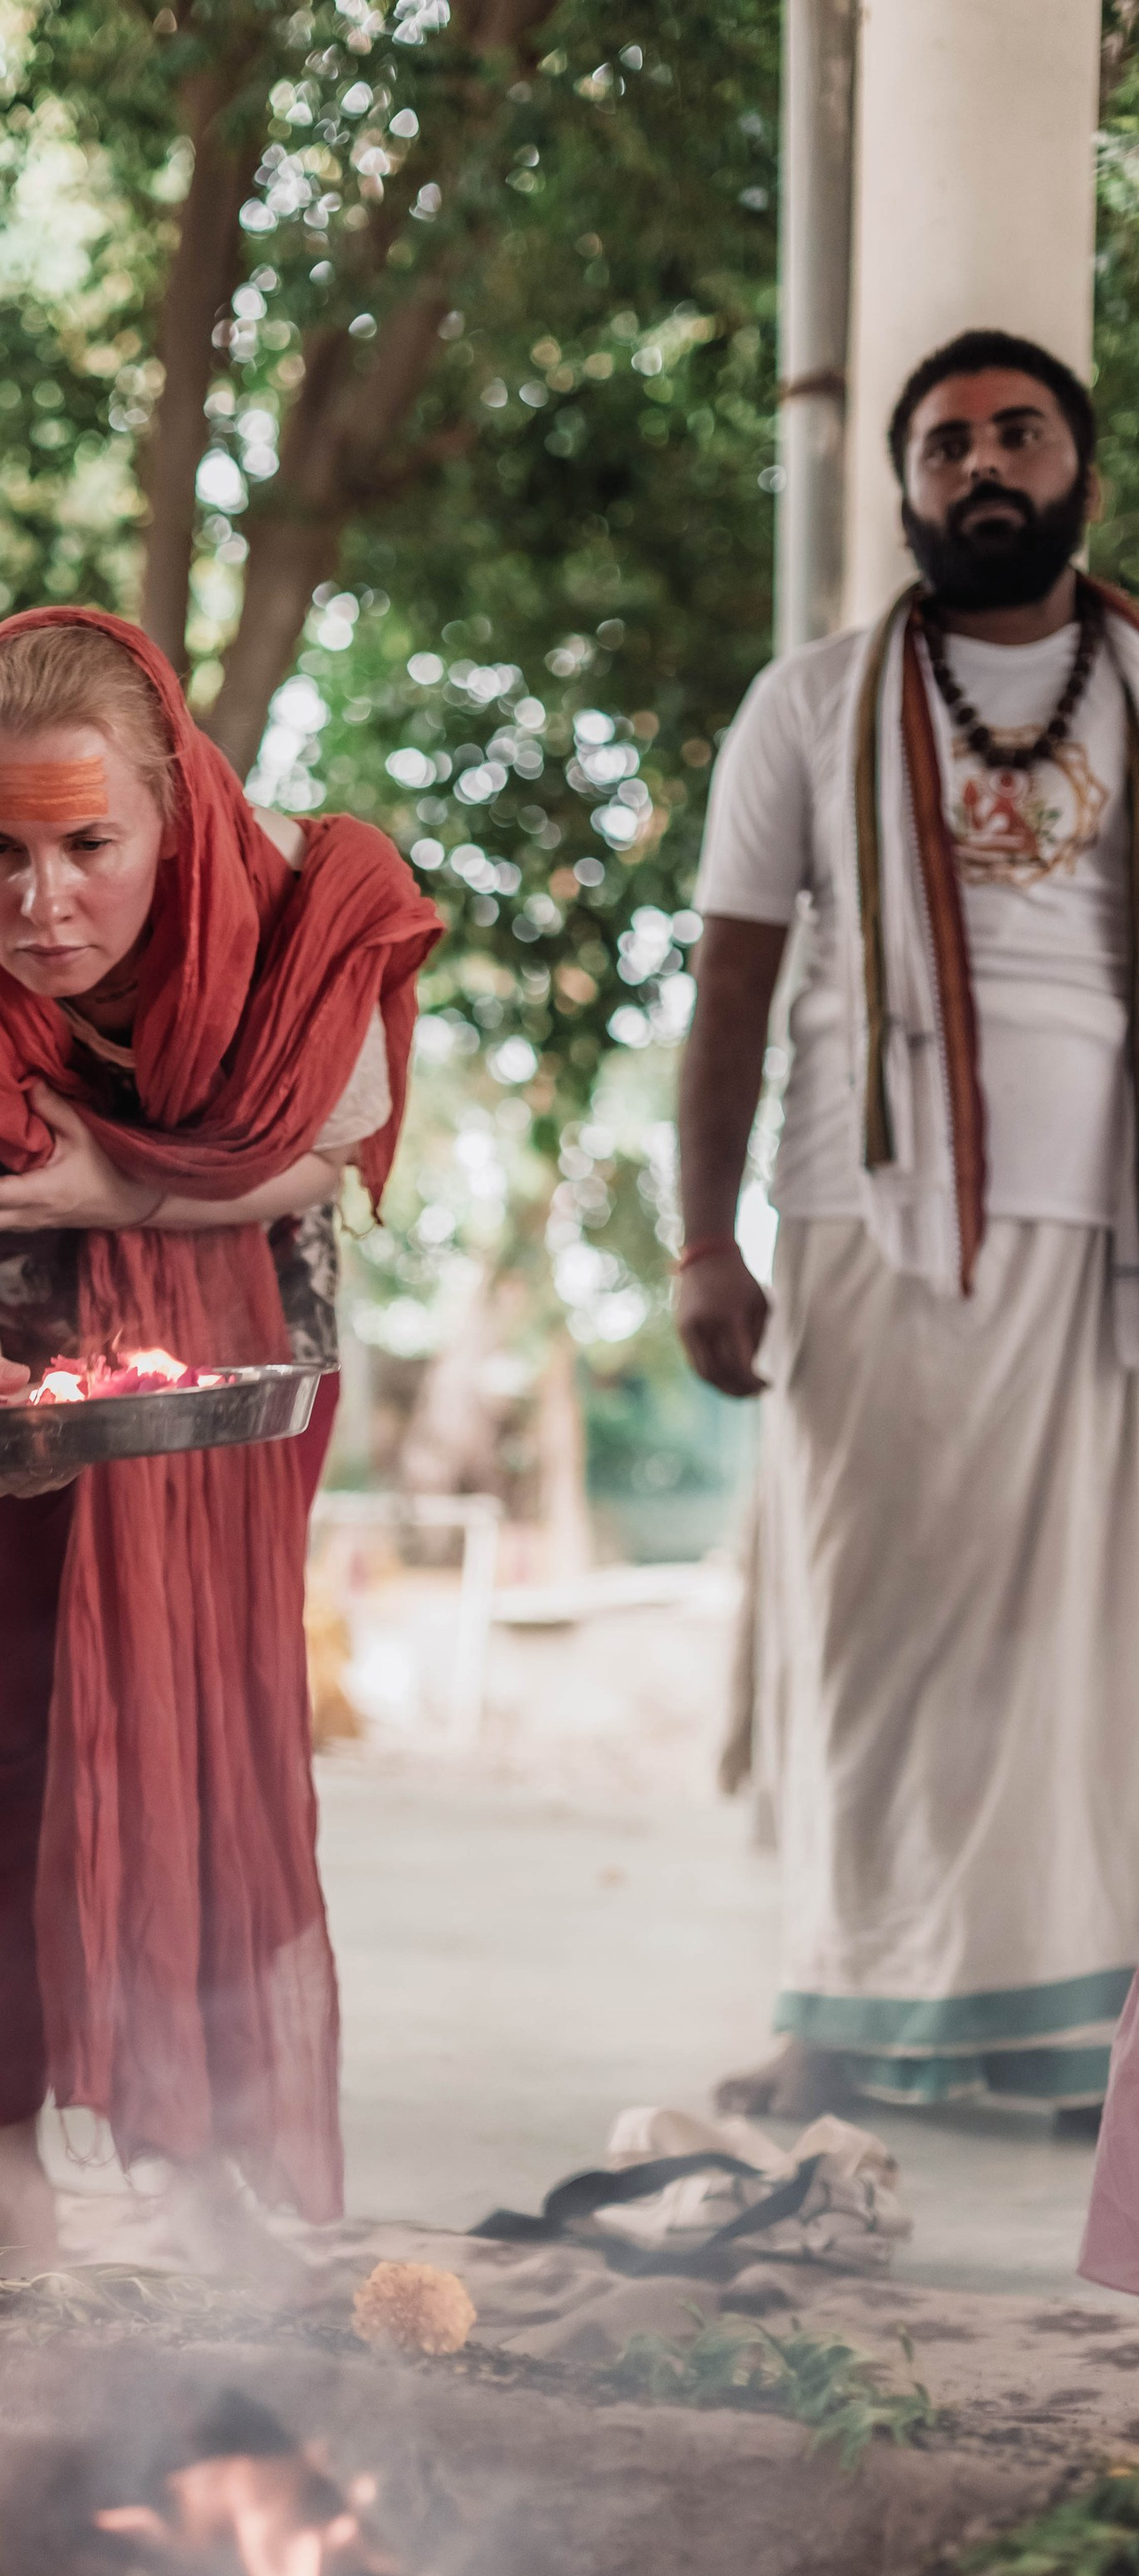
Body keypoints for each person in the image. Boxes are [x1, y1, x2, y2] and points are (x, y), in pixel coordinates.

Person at [0, 609, 438, 2266]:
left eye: (89, 846)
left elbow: (326, 1154)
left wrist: (122, 1186)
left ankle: (194, 2149)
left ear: (173, 817)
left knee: (193, 1711)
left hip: (233, 1317)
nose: (39, 905)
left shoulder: (303, 914)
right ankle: (3, 2160)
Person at [678, 329, 1139, 2125]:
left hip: (1095, 1230)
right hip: (855, 1215)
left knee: (1071, 1643)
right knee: (855, 1628)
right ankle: (842, 2020)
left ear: (1077, 472)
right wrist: (702, 1240)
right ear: (901, 493)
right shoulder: (804, 703)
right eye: (941, 446)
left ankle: (1055, 2041)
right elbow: (727, 982)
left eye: (1014, 434)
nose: (978, 468)